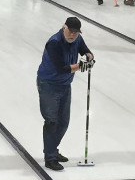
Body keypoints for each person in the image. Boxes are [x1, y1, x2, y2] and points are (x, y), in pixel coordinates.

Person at [36, 16, 93, 171]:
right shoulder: (54, 43)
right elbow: (62, 68)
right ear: (64, 28)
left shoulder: (77, 39)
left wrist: (89, 56)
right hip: (48, 84)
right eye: (70, 31)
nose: (72, 35)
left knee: (63, 122)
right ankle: (50, 158)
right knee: (51, 121)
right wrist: (82, 65)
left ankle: (52, 149)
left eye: (76, 32)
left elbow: (85, 50)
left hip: (65, 85)